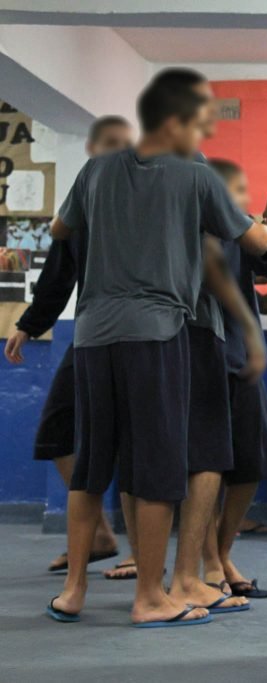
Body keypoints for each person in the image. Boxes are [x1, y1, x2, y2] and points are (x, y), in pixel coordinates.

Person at [44, 75, 267, 627]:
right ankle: (152, 598)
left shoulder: (96, 169)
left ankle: (73, 592)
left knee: (91, 466)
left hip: (92, 333)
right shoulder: (195, 175)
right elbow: (257, 245)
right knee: (154, 468)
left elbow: (60, 227)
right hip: (155, 332)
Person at [4, 115, 133, 574]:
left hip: (150, 336)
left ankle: (147, 556)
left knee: (139, 441)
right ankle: (99, 533)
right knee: (58, 430)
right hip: (93, 334)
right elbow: (59, 272)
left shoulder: (150, 205)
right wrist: (29, 324)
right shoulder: (83, 205)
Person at [201, 158, 267, 601]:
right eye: (234, 190)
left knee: (249, 465)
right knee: (207, 468)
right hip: (204, 356)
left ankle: (222, 552)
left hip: (243, 359)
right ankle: (208, 563)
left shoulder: (244, 231)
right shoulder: (197, 228)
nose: (242, 199)